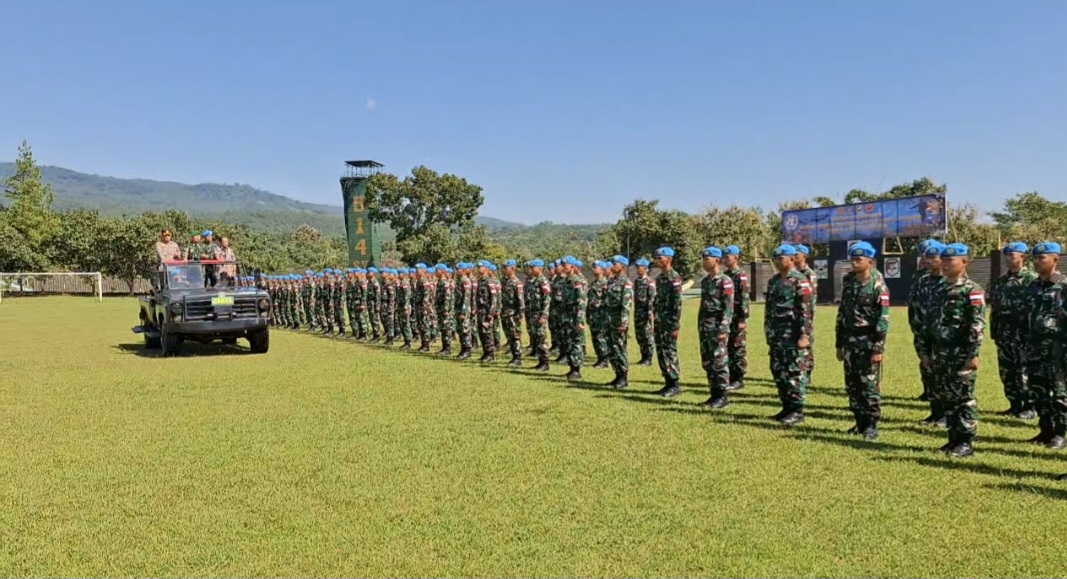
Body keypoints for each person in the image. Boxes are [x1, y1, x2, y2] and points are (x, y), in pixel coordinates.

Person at [929, 243, 986, 457]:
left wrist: (973, 354)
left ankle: (965, 442)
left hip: (961, 353)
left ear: (964, 262)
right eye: (943, 260)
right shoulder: (940, 289)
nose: (945, 264)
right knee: (947, 395)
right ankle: (953, 438)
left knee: (963, 397)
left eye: (950, 260)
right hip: (941, 352)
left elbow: (977, 324)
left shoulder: (972, 290)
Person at [835, 241, 890, 440]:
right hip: (850, 341)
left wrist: (878, 348)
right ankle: (859, 422)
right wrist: (839, 343)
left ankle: (871, 425)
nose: (854, 263)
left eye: (859, 259)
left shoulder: (878, 285)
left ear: (870, 261)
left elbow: (883, 319)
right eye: (853, 259)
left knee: (869, 385)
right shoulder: (849, 282)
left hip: (868, 342)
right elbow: (842, 312)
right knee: (852, 385)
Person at [987, 242, 1037, 419]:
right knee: (1007, 371)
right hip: (1004, 334)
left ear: (1022, 257)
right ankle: (1014, 404)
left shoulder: (1031, 280)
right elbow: (994, 307)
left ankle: (1030, 406)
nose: (1008, 259)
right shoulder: (1001, 281)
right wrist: (995, 332)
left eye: (1012, 256)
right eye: (1006, 256)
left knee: (1024, 370)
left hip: (1023, 334)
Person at [764, 244, 813, 425]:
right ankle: (786, 407)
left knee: (794, 371)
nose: (777, 262)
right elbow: (769, 309)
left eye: (781, 258)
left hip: (793, 334)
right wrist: (768, 333)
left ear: (792, 259)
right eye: (776, 259)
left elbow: (806, 310)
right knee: (779, 371)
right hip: (777, 335)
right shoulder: (774, 281)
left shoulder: (800, 280)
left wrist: (804, 335)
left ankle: (797, 411)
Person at [1024, 242, 1066, 450]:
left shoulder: (1064, 286)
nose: (1037, 262)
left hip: (1058, 348)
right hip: (1035, 347)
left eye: (1042, 258)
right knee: (1038, 389)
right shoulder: (1033, 286)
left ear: (1055, 259)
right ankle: (1045, 429)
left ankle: (1061, 433)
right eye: (1035, 258)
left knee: (1059, 392)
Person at [910, 241, 948, 425]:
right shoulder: (922, 282)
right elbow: (915, 309)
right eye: (927, 257)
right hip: (925, 336)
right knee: (929, 374)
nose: (929, 261)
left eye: (934, 257)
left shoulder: (950, 282)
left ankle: (946, 415)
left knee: (944, 377)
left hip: (945, 339)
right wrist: (918, 332)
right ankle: (935, 412)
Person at [697, 247, 734, 409]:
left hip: (718, 326)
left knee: (719, 361)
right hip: (705, 326)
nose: (704, 262)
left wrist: (723, 328)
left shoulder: (725, 281)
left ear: (717, 260)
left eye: (707, 259)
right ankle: (713, 394)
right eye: (704, 259)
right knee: (708, 361)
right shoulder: (706, 281)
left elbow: (728, 307)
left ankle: (723, 396)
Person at [652, 247, 683, 398]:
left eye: (660, 258)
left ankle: (675, 384)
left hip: (670, 321)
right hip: (660, 320)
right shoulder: (660, 278)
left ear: (669, 259)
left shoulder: (674, 277)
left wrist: (675, 324)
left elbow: (677, 303)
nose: (657, 260)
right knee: (661, 351)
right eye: (656, 258)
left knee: (670, 351)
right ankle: (667, 382)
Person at [723, 246, 749, 391]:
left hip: (737, 316)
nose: (725, 259)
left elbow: (744, 298)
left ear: (736, 258)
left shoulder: (741, 275)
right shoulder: (725, 275)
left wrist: (742, 319)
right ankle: (730, 376)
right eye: (724, 256)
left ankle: (738, 378)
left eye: (728, 256)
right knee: (728, 346)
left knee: (737, 347)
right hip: (727, 317)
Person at [604, 255, 633, 389]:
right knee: (611, 349)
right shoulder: (611, 281)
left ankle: (623, 377)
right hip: (609, 319)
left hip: (618, 320)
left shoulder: (625, 282)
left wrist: (624, 323)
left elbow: (626, 305)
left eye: (615, 263)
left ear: (623, 266)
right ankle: (617, 375)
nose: (612, 265)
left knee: (620, 348)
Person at [562, 257, 588, 380]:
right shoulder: (566, 281)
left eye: (566, 266)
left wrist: (580, 320)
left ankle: (577, 369)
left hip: (575, 316)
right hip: (566, 316)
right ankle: (572, 367)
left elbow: (581, 301)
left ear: (572, 266)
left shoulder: (578, 281)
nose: (564, 267)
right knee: (568, 342)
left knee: (576, 342)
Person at [525, 260, 553, 371]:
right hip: (533, 314)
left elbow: (547, 299)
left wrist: (544, 315)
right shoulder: (534, 281)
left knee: (541, 338)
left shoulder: (543, 282)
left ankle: (545, 363)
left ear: (540, 268)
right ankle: (540, 361)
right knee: (536, 338)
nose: (531, 270)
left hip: (539, 314)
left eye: (533, 268)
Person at [632, 258, 656, 366]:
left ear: (646, 268)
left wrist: (650, 312)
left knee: (647, 335)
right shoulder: (637, 281)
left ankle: (648, 358)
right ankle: (643, 356)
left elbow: (652, 298)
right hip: (638, 311)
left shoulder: (649, 282)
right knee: (640, 335)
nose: (637, 270)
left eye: (639, 267)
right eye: (636, 267)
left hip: (646, 311)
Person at [501, 260, 525, 366]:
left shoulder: (516, 282)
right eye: (503, 268)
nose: (504, 270)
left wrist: (520, 314)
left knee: (515, 335)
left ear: (513, 268)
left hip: (513, 313)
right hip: (505, 312)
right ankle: (513, 353)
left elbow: (521, 300)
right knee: (509, 335)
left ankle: (517, 357)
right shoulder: (505, 281)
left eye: (506, 268)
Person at [587, 261, 610, 369]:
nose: (593, 269)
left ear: (602, 269)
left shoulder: (606, 283)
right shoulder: (593, 284)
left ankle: (604, 359)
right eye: (593, 267)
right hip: (593, 315)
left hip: (601, 315)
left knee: (601, 337)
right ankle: (600, 358)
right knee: (595, 337)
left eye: (596, 267)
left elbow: (607, 301)